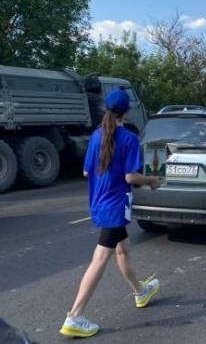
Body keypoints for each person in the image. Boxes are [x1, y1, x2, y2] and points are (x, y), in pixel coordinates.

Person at [60, 90, 161, 338]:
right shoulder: (128, 138)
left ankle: (140, 291)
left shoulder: (97, 136)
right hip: (115, 205)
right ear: (126, 112)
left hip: (100, 202)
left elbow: (86, 173)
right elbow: (130, 177)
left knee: (122, 249)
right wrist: (151, 181)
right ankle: (74, 315)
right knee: (100, 258)